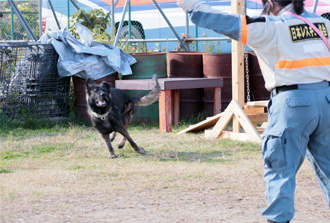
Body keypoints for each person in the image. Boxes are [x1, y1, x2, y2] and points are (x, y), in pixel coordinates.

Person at [177, 0, 330, 222]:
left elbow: (226, 22)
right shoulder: (320, 23)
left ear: (269, 2)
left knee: (281, 171)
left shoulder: (272, 26)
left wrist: (190, 5)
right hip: (326, 100)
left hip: (292, 104)